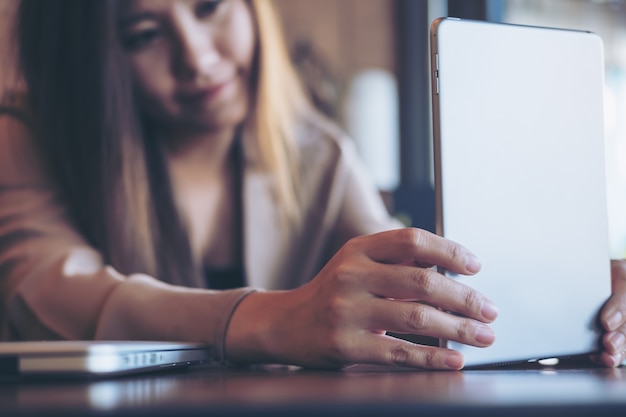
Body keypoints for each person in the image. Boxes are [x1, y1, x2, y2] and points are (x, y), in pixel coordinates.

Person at [0, 0, 620, 370]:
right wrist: (271, 318)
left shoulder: (319, 155)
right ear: (92, 58)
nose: (195, 57)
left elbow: (413, 302)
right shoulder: (25, 135)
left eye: (209, 6)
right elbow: (50, 296)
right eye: (142, 35)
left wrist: (573, 293)